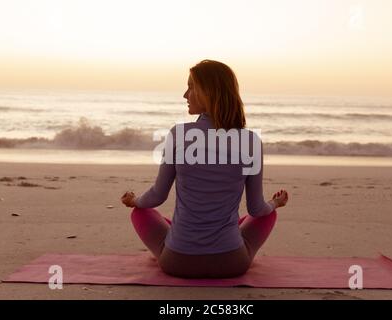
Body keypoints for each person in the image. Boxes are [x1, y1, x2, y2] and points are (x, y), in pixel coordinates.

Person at [121, 59, 288, 278]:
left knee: (141, 213)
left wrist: (135, 201)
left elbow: (156, 196)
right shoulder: (250, 141)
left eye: (191, 87)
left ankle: (182, 232)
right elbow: (256, 209)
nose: (185, 95)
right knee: (268, 215)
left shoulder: (178, 134)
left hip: (177, 262)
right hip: (232, 264)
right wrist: (275, 203)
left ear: (208, 92)